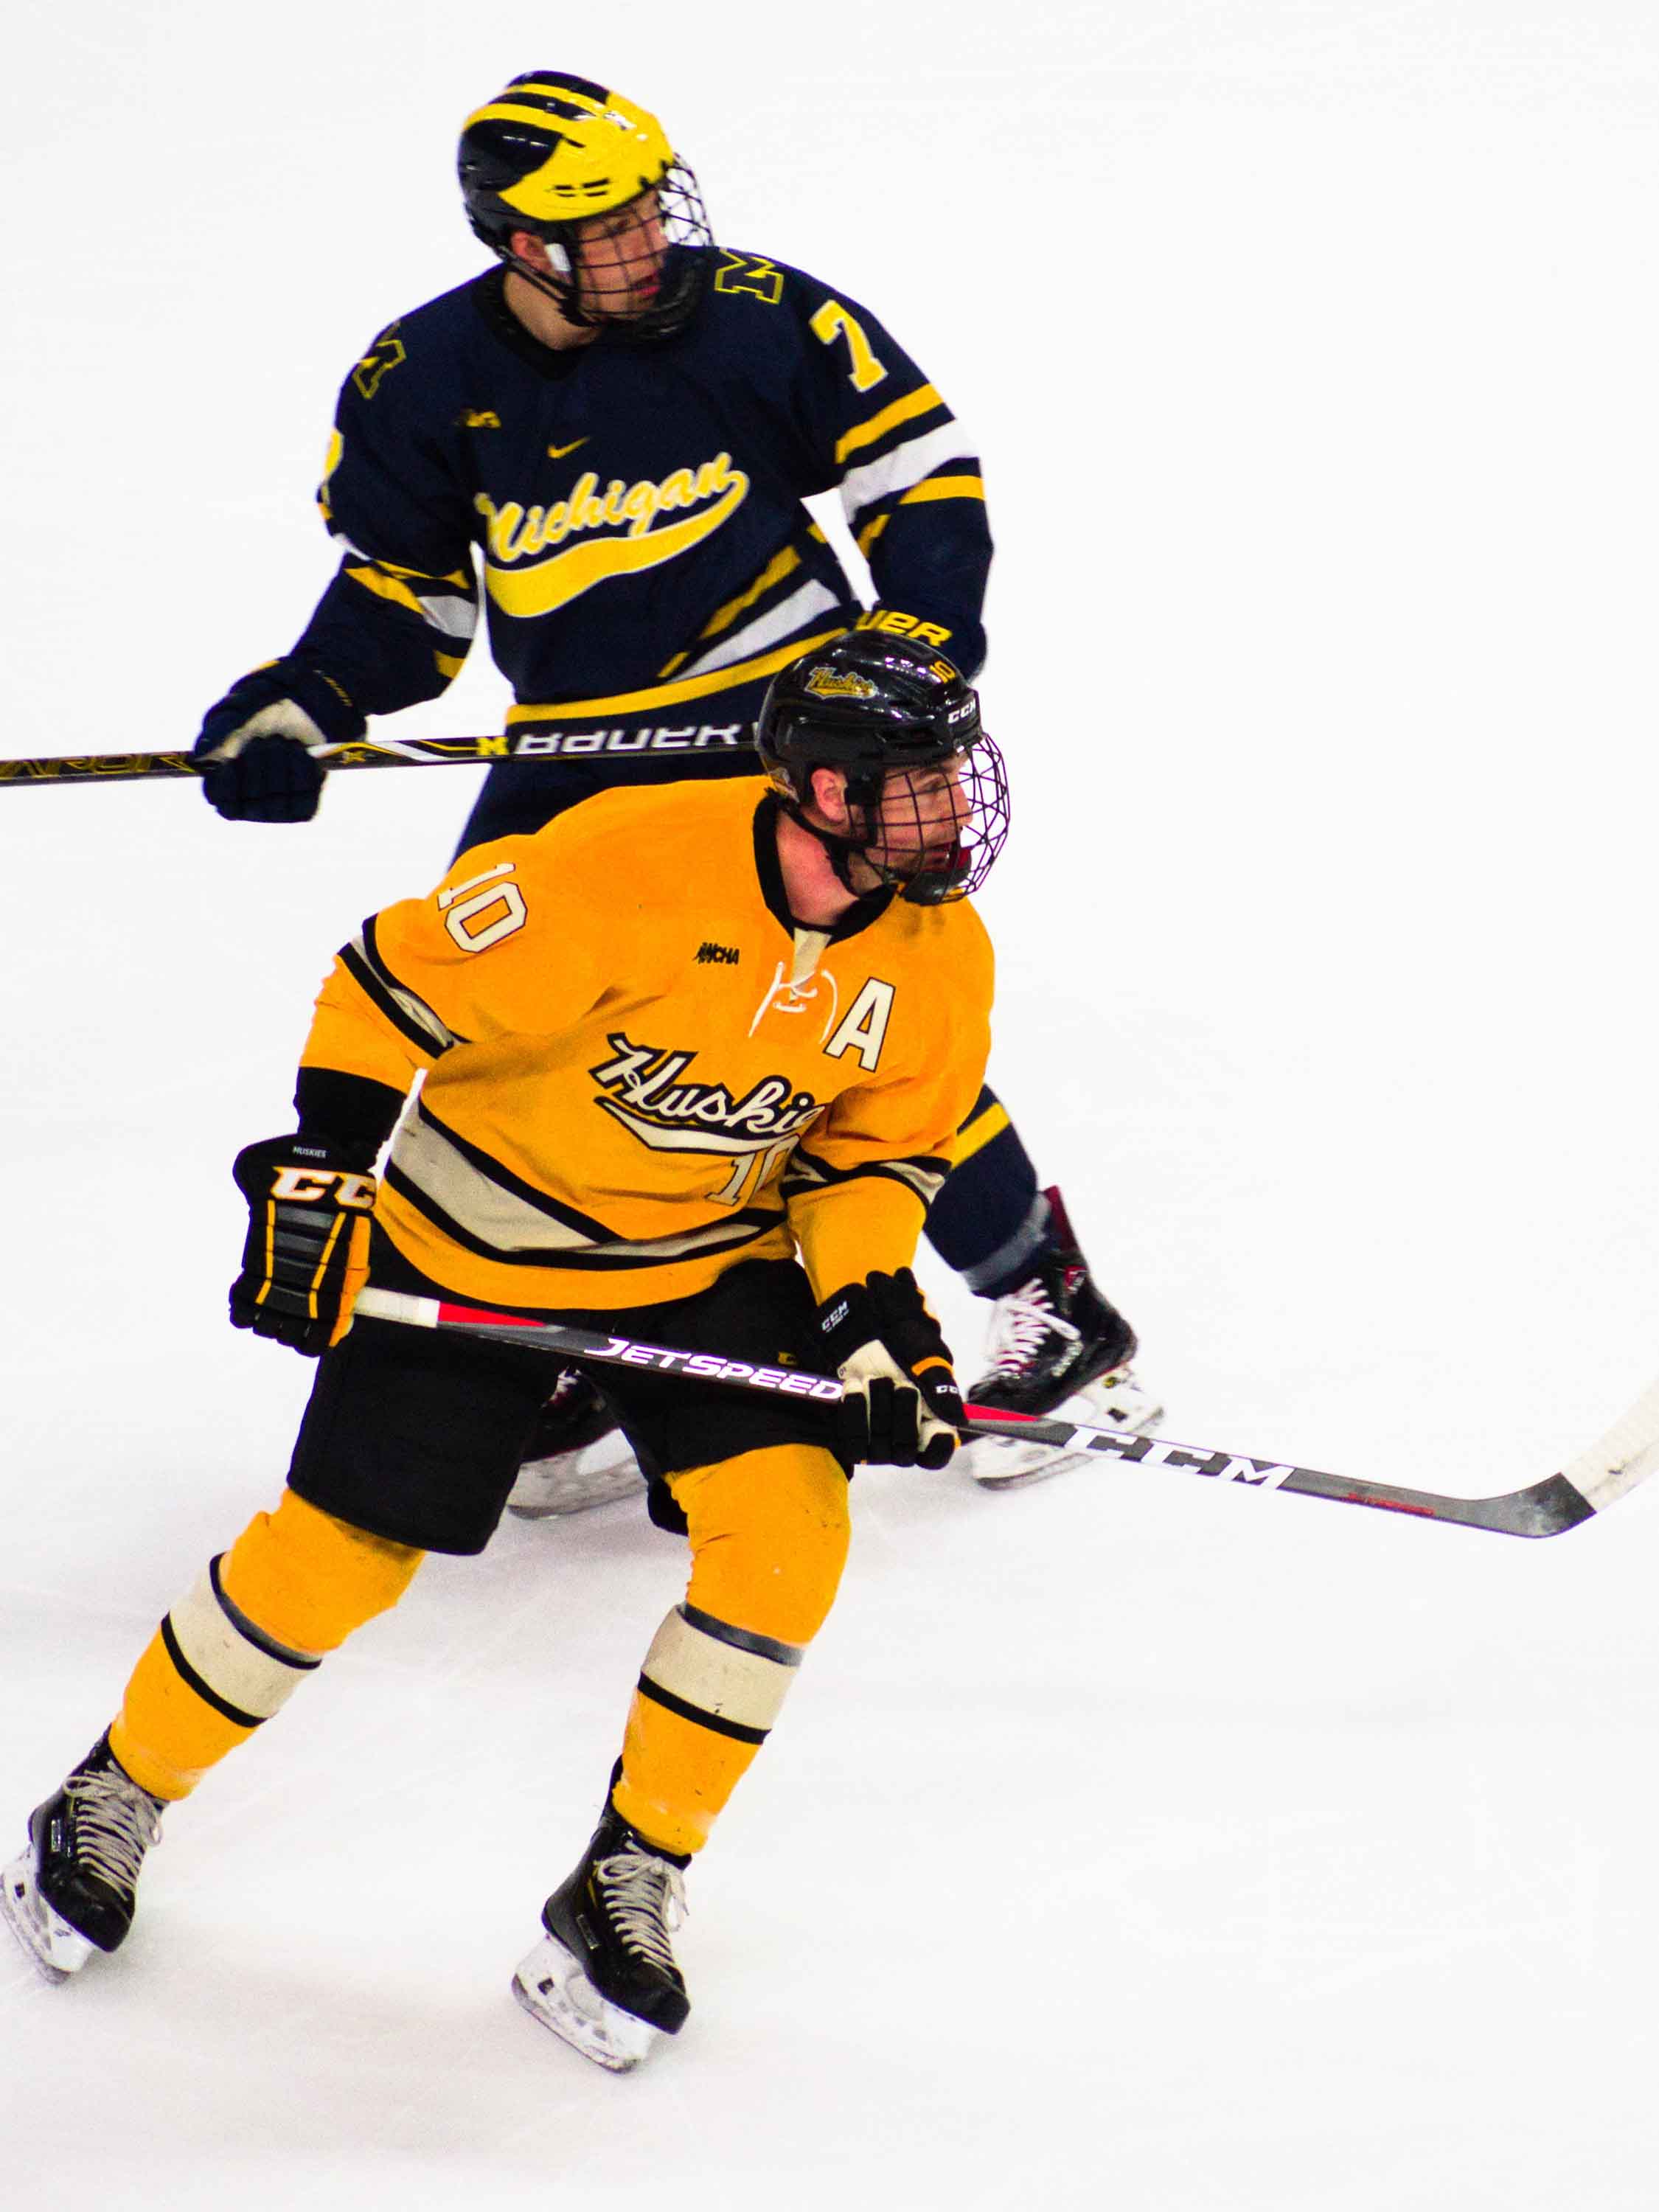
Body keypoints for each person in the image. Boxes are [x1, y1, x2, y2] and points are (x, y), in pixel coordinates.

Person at [4, 633, 1006, 2070]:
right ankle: (116, 1790)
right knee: (339, 1556)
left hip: (698, 1260)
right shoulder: (618, 863)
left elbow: (872, 1157)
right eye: (920, 784)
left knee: (788, 1537)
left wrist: (873, 1318)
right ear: (826, 788)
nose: (955, 811)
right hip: (478, 1240)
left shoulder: (937, 956)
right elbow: (381, 984)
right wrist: (327, 1167)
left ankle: (628, 1880)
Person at [187, 69, 1158, 1507]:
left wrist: (921, 638)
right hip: (586, 747)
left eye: (653, 207)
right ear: (519, 246)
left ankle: (1050, 1302)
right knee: (506, 1015)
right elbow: (408, 600)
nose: (653, 239)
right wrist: (310, 697)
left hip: (795, 719)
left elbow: (920, 476)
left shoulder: (763, 318)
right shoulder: (424, 382)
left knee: (849, 1011)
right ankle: (601, 1327)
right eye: (611, 226)